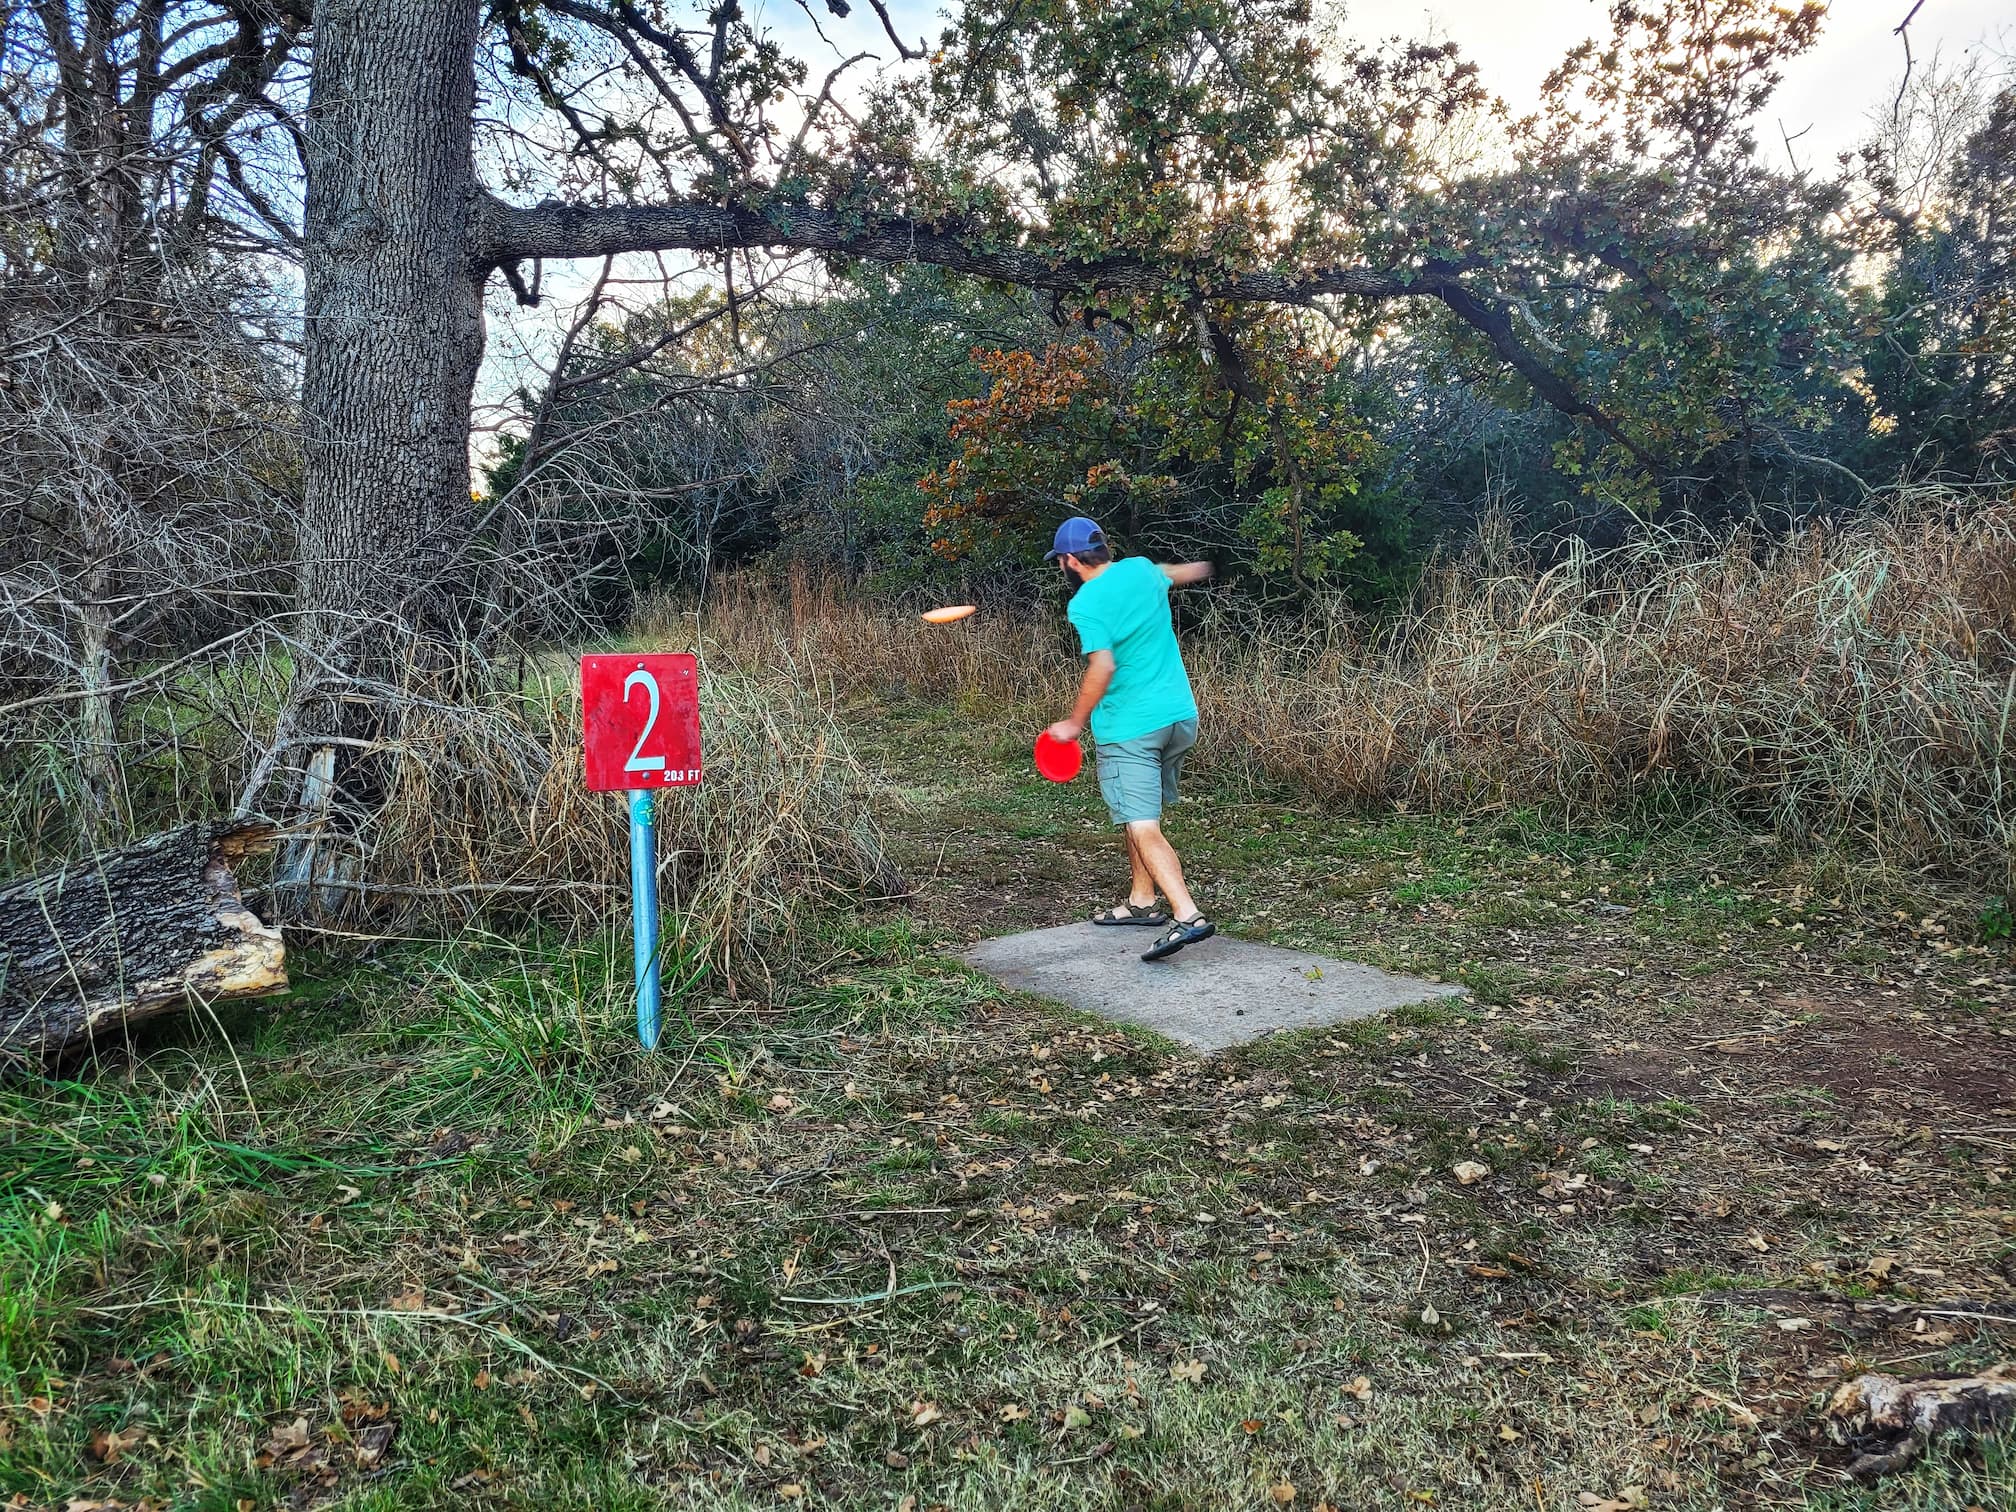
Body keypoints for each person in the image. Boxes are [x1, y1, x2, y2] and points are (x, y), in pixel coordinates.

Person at [1042, 515, 1218, 962]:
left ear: (1069, 561)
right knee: (1137, 812)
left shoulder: (1086, 604)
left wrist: (1074, 724)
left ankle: (1187, 915)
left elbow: (1102, 667)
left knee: (1142, 824)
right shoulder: (1140, 568)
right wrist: (1209, 566)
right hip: (1179, 719)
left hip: (1131, 730)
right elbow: (1185, 572)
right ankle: (1142, 900)